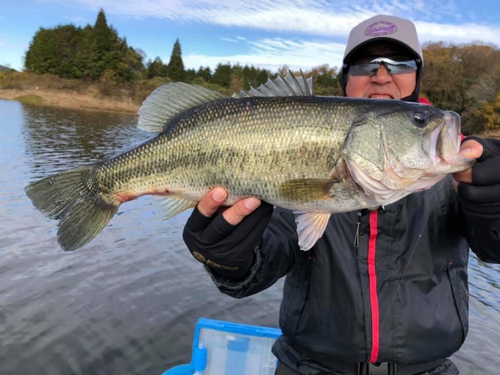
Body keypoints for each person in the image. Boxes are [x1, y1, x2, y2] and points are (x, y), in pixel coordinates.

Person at [182, 15, 500, 375]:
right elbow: (265, 260)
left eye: (400, 63)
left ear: (417, 76)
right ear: (345, 78)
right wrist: (227, 258)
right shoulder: (306, 150)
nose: (382, 75)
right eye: (365, 64)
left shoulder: (458, 171)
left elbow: (495, 249)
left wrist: (492, 208)